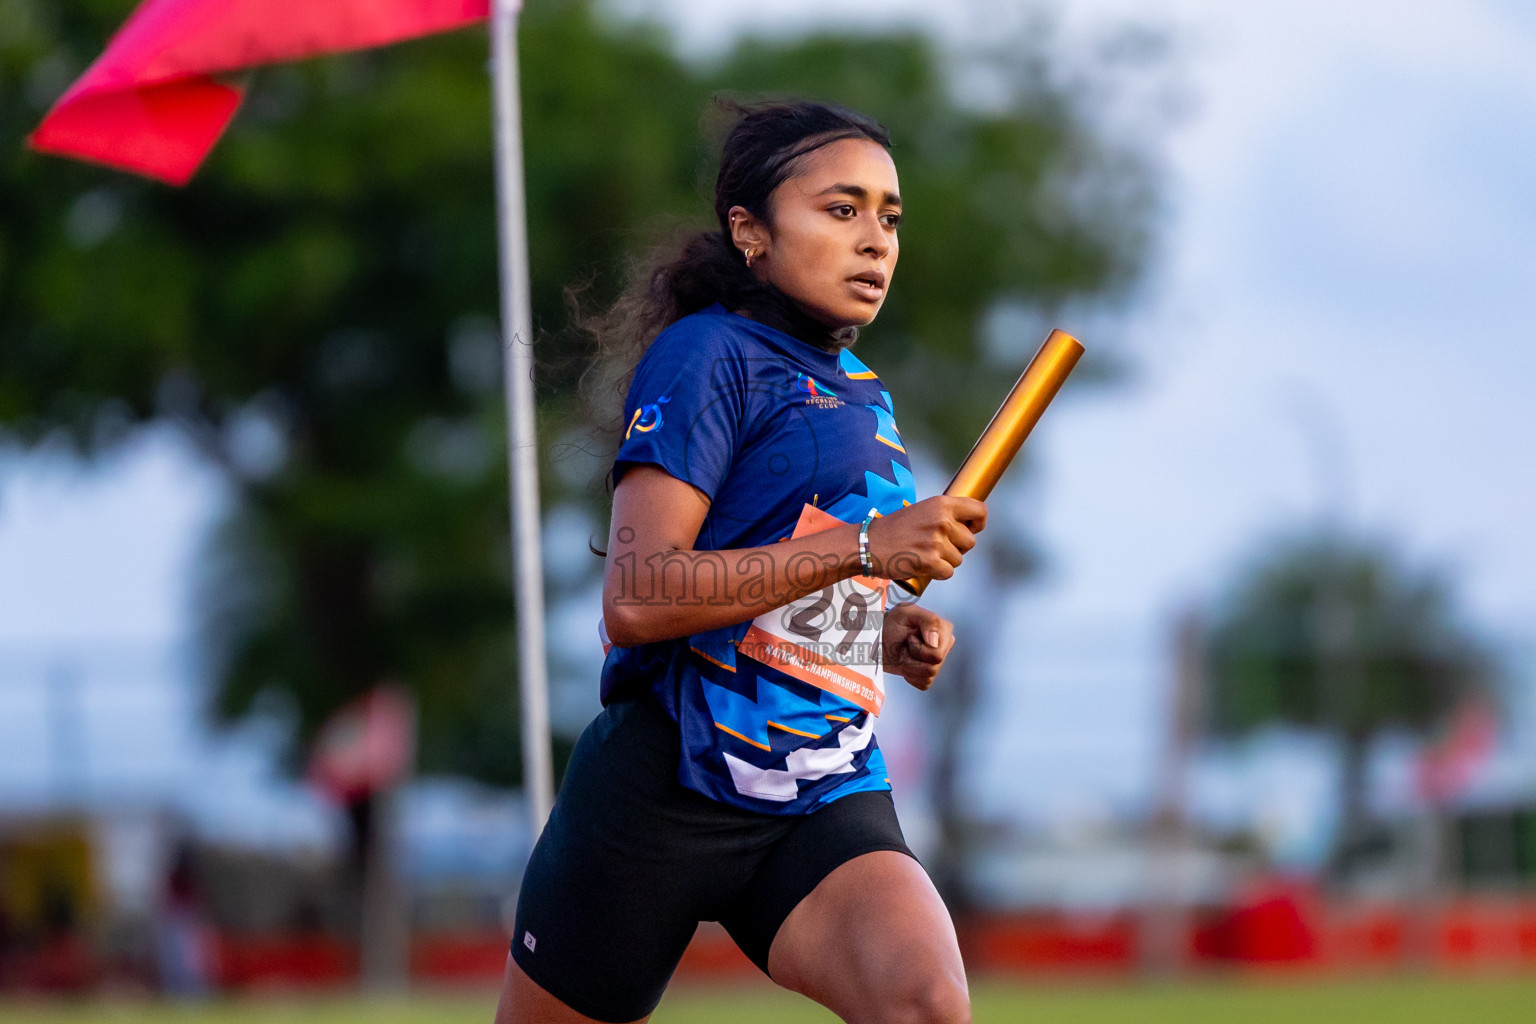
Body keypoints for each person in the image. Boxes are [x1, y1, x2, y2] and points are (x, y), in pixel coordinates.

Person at [494, 100, 987, 1024]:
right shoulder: (706, 355)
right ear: (750, 232)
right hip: (661, 791)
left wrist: (878, 631)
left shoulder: (865, 393)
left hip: (825, 788)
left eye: (888, 216)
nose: (875, 240)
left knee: (926, 1007)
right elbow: (638, 599)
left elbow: (786, 586)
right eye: (841, 211)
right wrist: (871, 545)